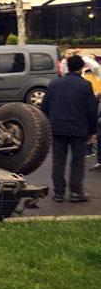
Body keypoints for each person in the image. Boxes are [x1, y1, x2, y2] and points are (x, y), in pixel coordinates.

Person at [41, 55, 98, 203]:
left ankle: (58, 193)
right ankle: (76, 192)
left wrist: (49, 124)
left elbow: (44, 107)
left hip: (57, 127)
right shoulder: (85, 85)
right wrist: (92, 132)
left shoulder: (54, 84)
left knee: (58, 161)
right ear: (81, 68)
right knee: (77, 162)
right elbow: (91, 111)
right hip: (79, 129)